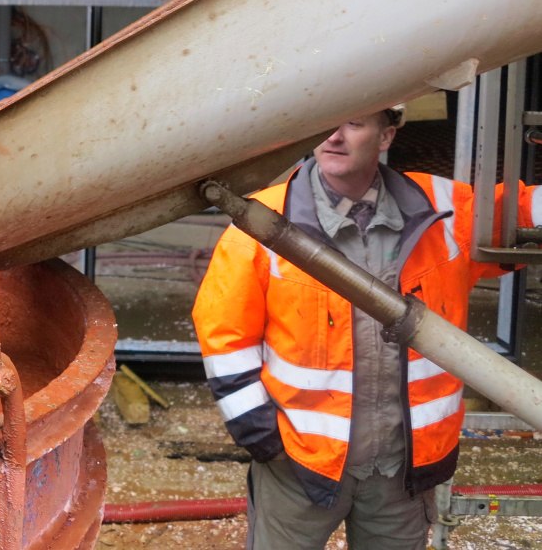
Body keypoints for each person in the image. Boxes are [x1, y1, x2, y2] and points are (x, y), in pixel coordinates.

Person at [193, 106, 536, 549]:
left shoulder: (444, 210)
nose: (333, 137)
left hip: (402, 470)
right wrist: (262, 438)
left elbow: (522, 214)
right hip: (299, 465)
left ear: (386, 136)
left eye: (353, 123)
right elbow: (223, 336)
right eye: (324, 122)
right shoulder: (261, 222)